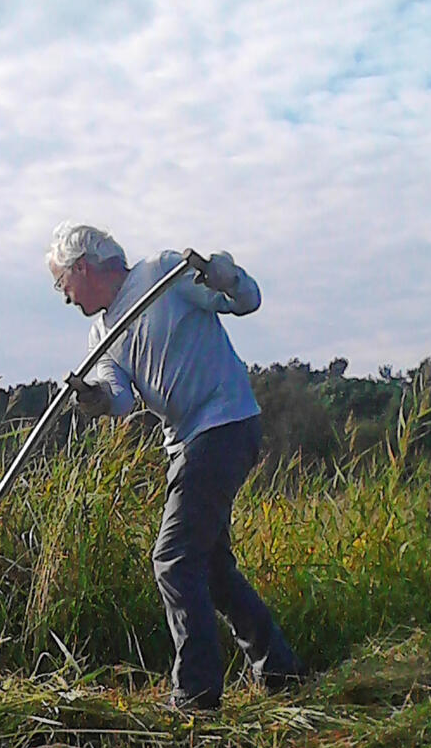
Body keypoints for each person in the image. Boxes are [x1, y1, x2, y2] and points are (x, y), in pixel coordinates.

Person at [46, 220, 304, 712]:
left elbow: (246, 301)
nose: (63, 297)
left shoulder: (162, 274)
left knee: (174, 558)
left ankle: (196, 695)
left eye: (62, 283)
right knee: (208, 566)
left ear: (83, 268)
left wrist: (227, 276)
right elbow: (119, 398)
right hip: (186, 442)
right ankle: (279, 669)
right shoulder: (102, 334)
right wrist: (95, 399)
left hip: (225, 422)